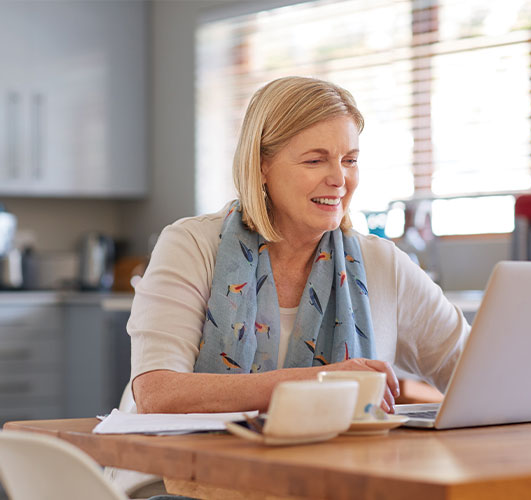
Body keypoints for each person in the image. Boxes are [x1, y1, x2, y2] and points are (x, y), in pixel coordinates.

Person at [128, 76, 469, 417]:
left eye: (349, 160)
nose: (339, 179)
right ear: (262, 166)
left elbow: (475, 370)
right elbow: (158, 393)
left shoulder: (383, 265)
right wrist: (321, 382)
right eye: (314, 160)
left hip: (326, 468)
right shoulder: (192, 246)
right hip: (171, 468)